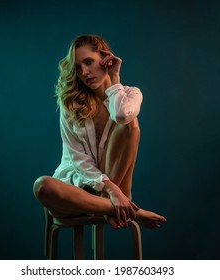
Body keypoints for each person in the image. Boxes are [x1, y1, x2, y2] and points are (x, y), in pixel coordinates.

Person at [33, 34, 167, 229]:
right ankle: (131, 212)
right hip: (77, 192)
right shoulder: (71, 102)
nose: (85, 72)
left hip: (115, 183)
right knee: (42, 186)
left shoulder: (131, 94)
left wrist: (114, 78)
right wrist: (112, 191)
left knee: (130, 124)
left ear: (106, 60)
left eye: (89, 62)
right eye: (78, 68)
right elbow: (77, 159)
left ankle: (110, 206)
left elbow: (121, 116)